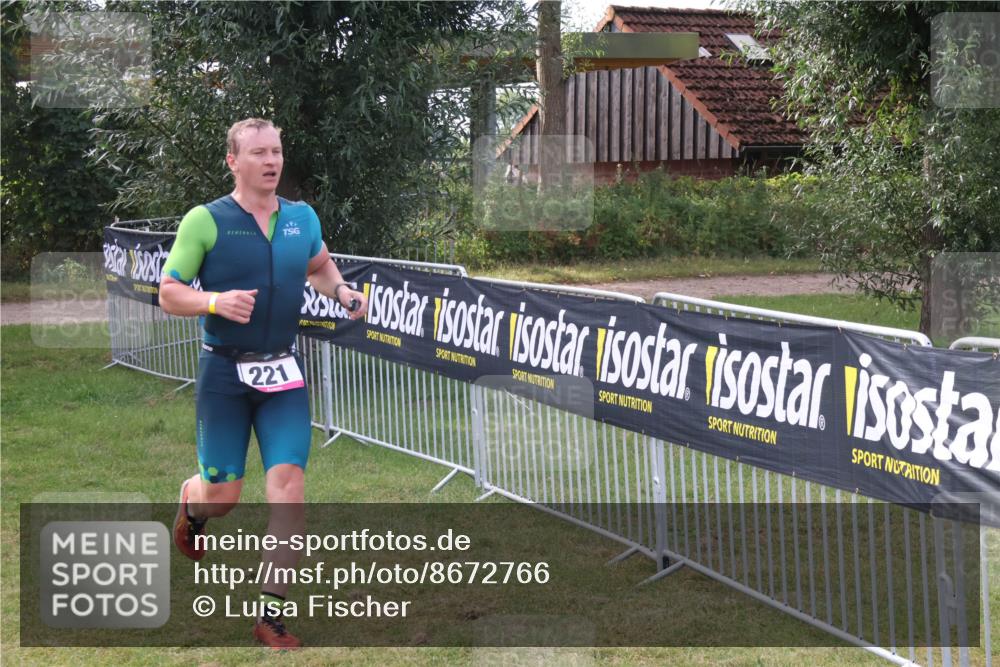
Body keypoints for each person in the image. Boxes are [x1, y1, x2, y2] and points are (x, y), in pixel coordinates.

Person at [159, 118, 368, 649]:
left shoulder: (301, 219)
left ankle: (270, 615)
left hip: (282, 374)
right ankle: (193, 499)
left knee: (289, 492)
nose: (271, 162)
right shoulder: (206, 221)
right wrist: (212, 301)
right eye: (258, 153)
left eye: (276, 152)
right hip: (225, 374)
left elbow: (320, 267)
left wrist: (342, 292)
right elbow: (169, 292)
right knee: (223, 495)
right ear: (233, 161)